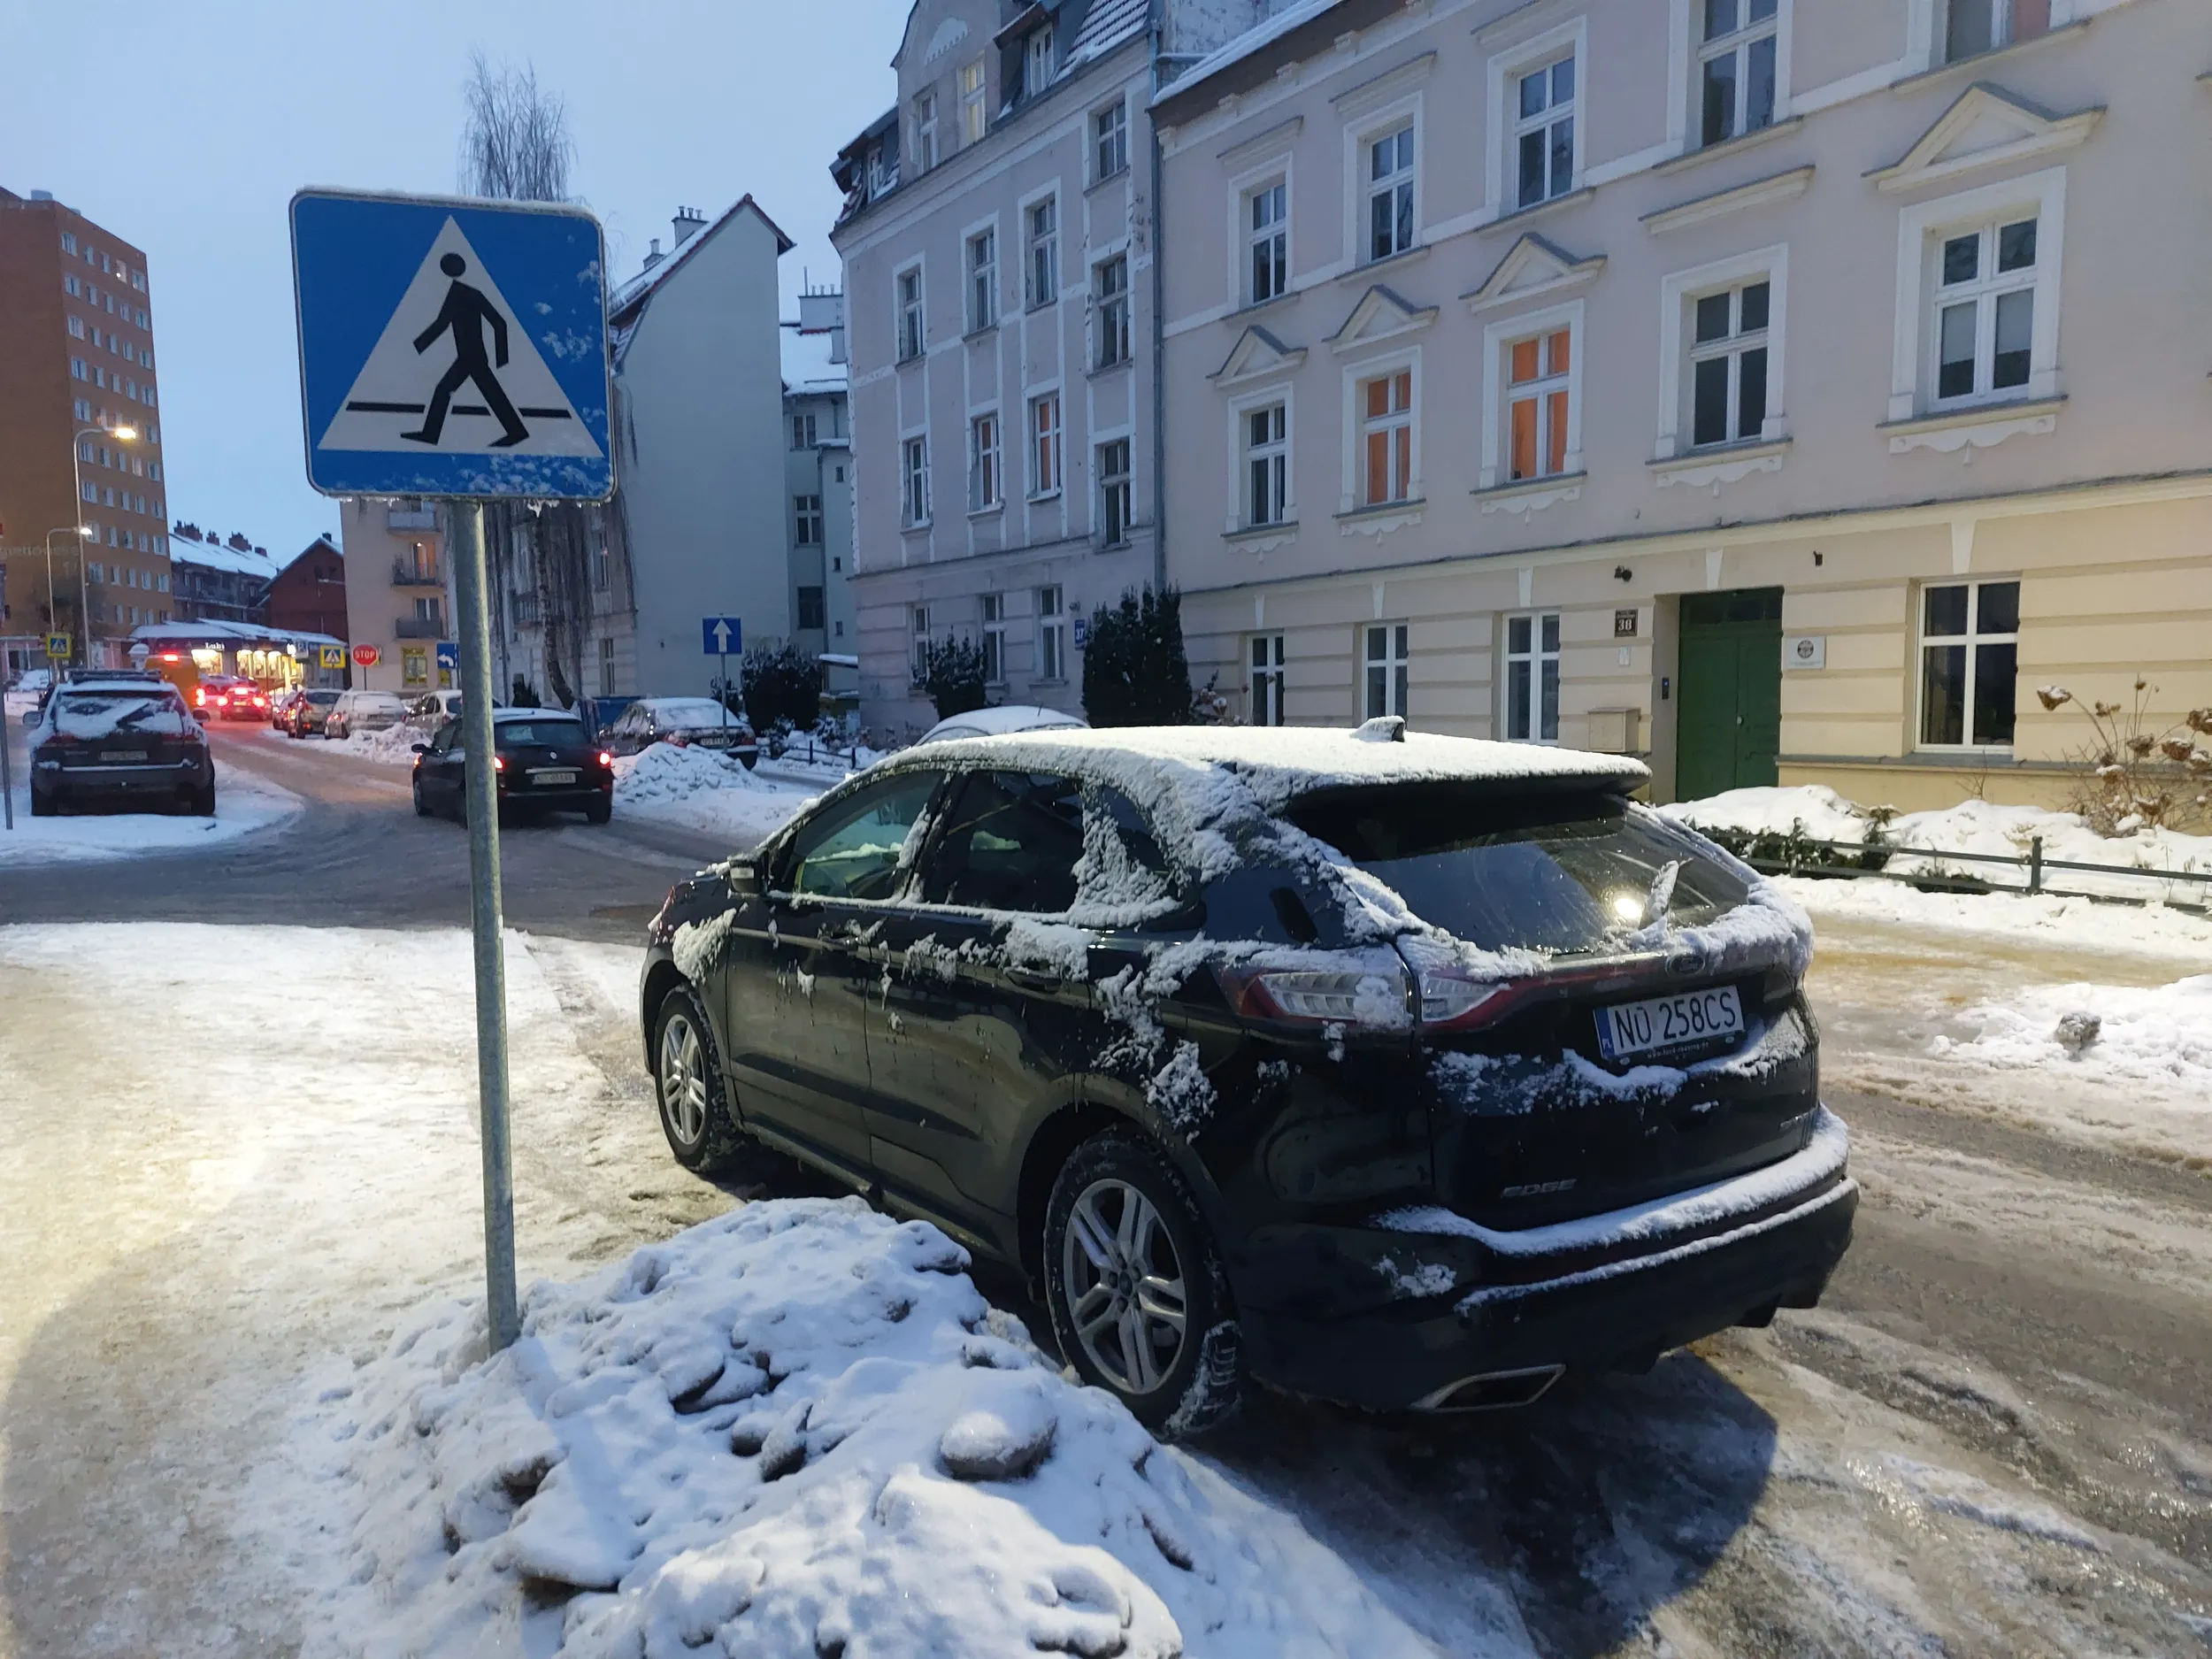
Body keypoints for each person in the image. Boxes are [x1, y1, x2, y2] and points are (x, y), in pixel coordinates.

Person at [401, 253, 529, 448]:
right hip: (469, 356)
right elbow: (443, 324)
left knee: (452, 390)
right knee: (464, 391)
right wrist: (416, 347)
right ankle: (431, 434)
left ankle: (431, 434)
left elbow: (497, 323)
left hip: (472, 356)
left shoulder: (461, 293)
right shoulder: (464, 292)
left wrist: (502, 360)